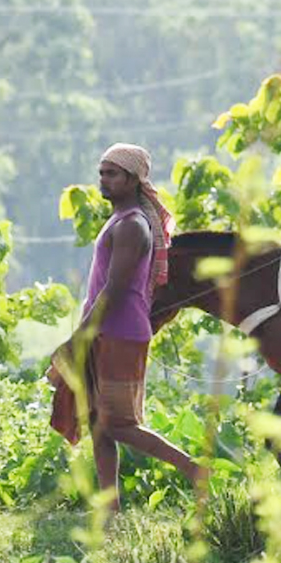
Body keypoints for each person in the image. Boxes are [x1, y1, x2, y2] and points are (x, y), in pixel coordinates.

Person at [49, 143, 206, 515]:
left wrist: (81, 337)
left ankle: (195, 471)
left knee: (119, 424)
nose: (104, 180)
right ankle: (110, 511)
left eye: (112, 173)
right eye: (102, 172)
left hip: (120, 333)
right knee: (99, 425)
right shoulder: (121, 220)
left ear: (134, 180)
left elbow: (115, 290)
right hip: (106, 330)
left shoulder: (133, 225)